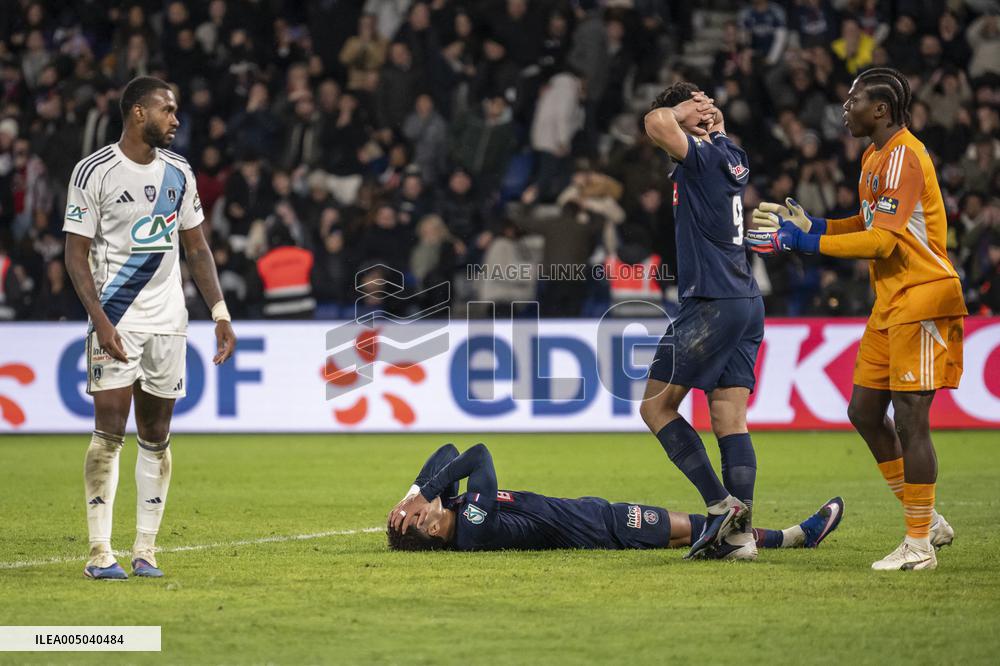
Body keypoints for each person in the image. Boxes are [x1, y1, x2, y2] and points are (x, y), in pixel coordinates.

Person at [748, 67, 964, 571]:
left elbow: (882, 241)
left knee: (912, 419)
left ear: (881, 110)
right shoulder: (872, 156)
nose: (845, 109)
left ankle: (918, 546)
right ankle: (927, 520)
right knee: (864, 412)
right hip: (891, 300)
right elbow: (868, 224)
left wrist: (802, 242)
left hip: (924, 294)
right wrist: (815, 224)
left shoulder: (906, 156)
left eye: (853, 101)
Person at [63, 76, 237, 580]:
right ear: (138, 113)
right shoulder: (93, 171)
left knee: (157, 435)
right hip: (115, 319)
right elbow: (76, 257)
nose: (176, 120)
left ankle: (146, 550)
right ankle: (100, 552)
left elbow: (198, 249)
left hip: (169, 321)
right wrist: (99, 320)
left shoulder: (180, 172)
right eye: (167, 110)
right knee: (109, 432)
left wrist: (220, 313)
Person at [638, 83, 763, 560]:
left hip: (711, 300)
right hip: (746, 299)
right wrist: (714, 118)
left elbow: (654, 122)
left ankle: (719, 507)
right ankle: (740, 539)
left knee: (655, 407)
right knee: (729, 417)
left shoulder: (703, 157)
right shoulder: (731, 153)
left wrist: (686, 107)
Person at [388, 444, 843, 554]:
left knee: (700, 533)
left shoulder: (446, 516)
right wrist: (426, 492)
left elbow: (447, 453)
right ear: (430, 528)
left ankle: (790, 535)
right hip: (603, 527)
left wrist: (412, 495)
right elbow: (478, 455)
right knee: (699, 529)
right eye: (418, 515)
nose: (422, 507)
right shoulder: (472, 522)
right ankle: (797, 536)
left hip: (590, 514)